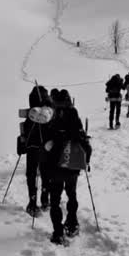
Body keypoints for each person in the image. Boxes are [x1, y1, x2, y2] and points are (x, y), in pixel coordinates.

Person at [43, 90, 92, 244]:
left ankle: (58, 232)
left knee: (55, 200)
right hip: (72, 165)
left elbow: (45, 144)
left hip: (54, 167)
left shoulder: (51, 116)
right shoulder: (73, 115)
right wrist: (87, 160)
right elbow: (84, 141)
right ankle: (71, 224)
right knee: (72, 195)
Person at [19, 84, 53, 215]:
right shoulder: (48, 111)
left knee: (31, 174)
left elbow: (25, 130)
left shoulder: (31, 113)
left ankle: (32, 202)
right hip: (46, 147)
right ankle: (45, 199)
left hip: (32, 147)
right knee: (45, 172)